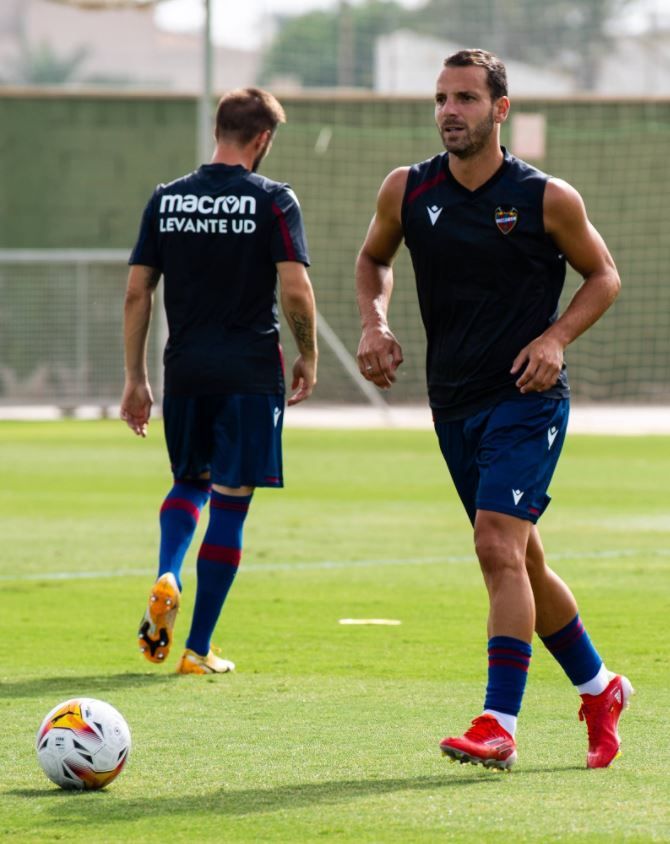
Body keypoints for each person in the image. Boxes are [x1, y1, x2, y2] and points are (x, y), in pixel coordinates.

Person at [355, 49, 631, 769]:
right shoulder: (408, 189)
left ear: (500, 109)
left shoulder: (546, 198)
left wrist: (555, 338)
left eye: (467, 99)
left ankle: (497, 723)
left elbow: (604, 276)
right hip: (452, 402)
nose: (450, 110)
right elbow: (373, 260)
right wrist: (374, 322)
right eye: (442, 98)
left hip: (527, 399)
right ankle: (600, 688)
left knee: (495, 548)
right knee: (525, 561)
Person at [121, 87, 318, 675]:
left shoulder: (166, 199)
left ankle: (168, 571)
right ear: (262, 139)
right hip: (250, 373)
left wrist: (135, 378)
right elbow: (294, 288)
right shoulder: (273, 199)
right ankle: (197, 648)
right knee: (230, 504)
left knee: (189, 482)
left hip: (184, 372)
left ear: (218, 128)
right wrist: (307, 352)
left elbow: (137, 292)